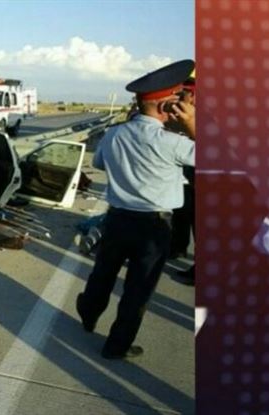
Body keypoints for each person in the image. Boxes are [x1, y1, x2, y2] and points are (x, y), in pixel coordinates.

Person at [75, 59, 196, 359]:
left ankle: (88, 315)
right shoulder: (173, 143)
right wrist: (192, 125)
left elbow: (100, 164)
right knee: (137, 290)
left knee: (103, 273)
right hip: (154, 229)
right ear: (167, 105)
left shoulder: (114, 134)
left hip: (117, 219)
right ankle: (116, 346)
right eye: (179, 98)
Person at [168, 71, 196, 285]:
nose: (181, 98)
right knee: (182, 211)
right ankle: (178, 247)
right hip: (188, 173)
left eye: (185, 93)